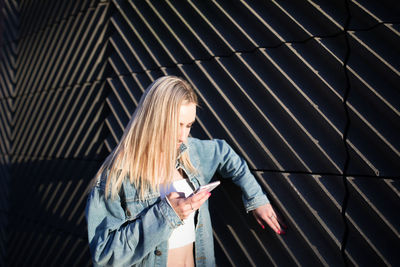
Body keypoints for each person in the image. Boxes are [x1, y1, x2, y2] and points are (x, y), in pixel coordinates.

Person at [85, 76, 285, 267]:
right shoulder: (117, 176)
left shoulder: (191, 153)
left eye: (188, 125)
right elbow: (104, 257)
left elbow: (224, 153)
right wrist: (167, 214)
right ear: (153, 119)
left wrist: (257, 199)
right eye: (176, 124)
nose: (182, 136)